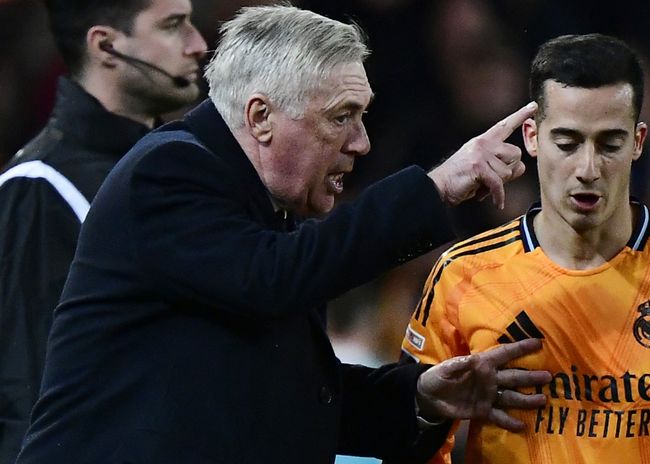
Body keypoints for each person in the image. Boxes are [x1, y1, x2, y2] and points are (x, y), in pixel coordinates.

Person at [15, 4, 553, 463]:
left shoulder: (270, 213)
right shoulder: (167, 174)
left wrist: (421, 396)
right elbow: (274, 277)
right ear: (261, 117)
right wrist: (435, 188)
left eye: (363, 117)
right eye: (342, 116)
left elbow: (288, 394)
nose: (361, 143)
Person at [399, 33, 650, 463]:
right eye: (568, 143)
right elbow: (408, 442)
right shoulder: (464, 275)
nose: (588, 169)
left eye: (609, 144)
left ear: (638, 142)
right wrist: (424, 418)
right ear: (532, 138)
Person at [0, 0, 206, 461]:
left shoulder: (181, 176)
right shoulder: (39, 185)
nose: (198, 44)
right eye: (174, 26)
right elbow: (27, 393)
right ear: (106, 45)